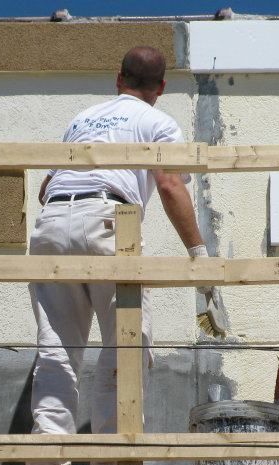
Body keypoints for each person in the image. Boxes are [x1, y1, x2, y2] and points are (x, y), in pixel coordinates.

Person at [29, 45, 209, 441]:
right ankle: (113, 451)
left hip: (53, 222)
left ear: (118, 79)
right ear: (160, 87)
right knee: (125, 345)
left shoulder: (82, 119)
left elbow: (46, 188)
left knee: (56, 347)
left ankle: (49, 449)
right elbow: (169, 183)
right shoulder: (158, 122)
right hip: (110, 221)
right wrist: (199, 254)